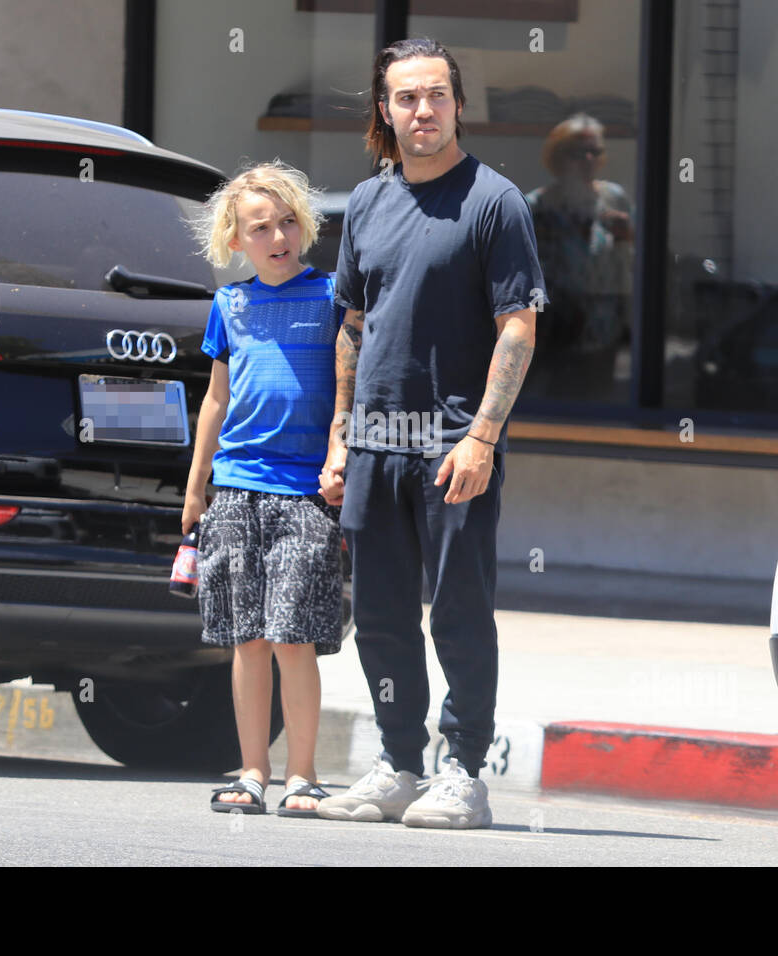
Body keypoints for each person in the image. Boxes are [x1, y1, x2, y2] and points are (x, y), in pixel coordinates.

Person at [316, 38, 543, 829]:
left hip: (452, 445)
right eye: (406, 98)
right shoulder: (368, 204)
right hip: (375, 444)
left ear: (457, 104)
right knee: (378, 615)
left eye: (436, 96)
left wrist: (482, 436)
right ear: (386, 110)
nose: (422, 111)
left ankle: (466, 772)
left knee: (457, 610)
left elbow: (517, 326)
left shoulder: (494, 202)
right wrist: (341, 436)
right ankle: (399, 765)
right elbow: (353, 325)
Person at [185, 161, 345, 817]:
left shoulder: (333, 296)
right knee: (246, 637)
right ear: (235, 240)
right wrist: (196, 491)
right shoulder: (231, 305)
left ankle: (302, 774)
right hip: (236, 489)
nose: (276, 236)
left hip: (305, 493)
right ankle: (252, 769)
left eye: (286, 222)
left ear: (303, 227)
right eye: (260, 227)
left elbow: (349, 388)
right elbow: (215, 401)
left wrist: (340, 458)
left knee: (292, 636)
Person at [524, 113, 633, 402]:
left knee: (599, 400)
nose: (588, 160)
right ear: (557, 158)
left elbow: (634, 259)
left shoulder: (614, 198)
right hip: (555, 328)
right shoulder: (537, 206)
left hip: (605, 326)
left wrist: (628, 235)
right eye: (578, 153)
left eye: (595, 152)